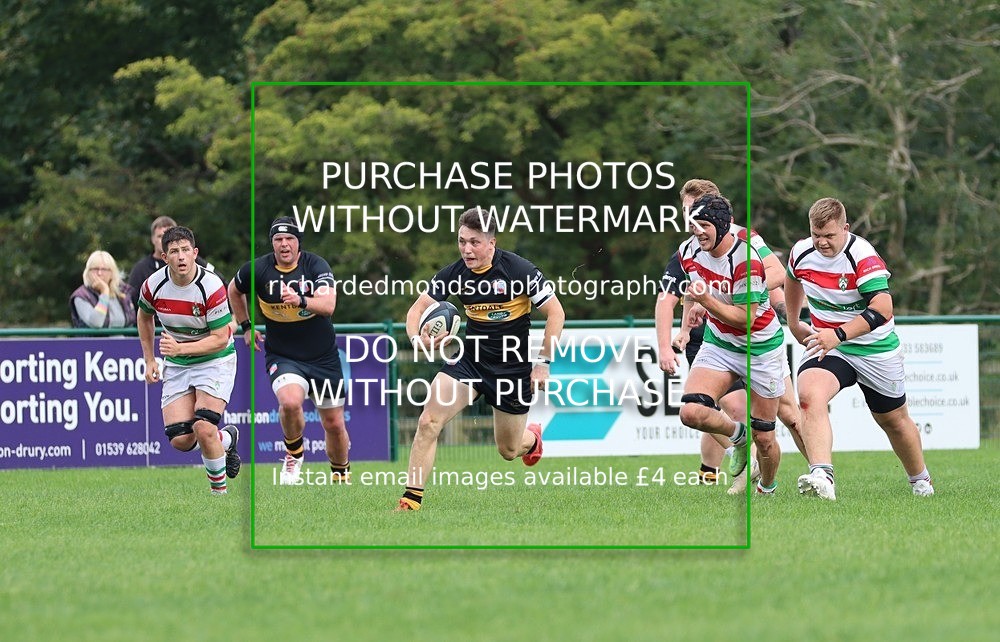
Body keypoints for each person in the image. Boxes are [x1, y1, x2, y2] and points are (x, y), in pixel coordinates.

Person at [396, 206, 565, 511]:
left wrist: (543, 363)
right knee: (428, 421)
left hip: (511, 369)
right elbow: (416, 310)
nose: (467, 249)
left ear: (491, 243)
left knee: (509, 450)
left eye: (474, 242)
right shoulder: (454, 273)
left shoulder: (519, 270)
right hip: (470, 361)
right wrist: (417, 339)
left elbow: (556, 312)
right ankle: (410, 501)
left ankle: (533, 440)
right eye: (462, 241)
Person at [657, 179, 801, 495]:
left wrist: (714, 300)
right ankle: (738, 441)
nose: (694, 227)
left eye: (701, 221)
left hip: (760, 347)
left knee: (771, 432)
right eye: (689, 216)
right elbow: (682, 292)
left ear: (723, 223)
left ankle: (773, 484)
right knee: (692, 412)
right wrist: (686, 325)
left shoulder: (746, 252)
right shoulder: (689, 249)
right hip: (719, 343)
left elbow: (749, 314)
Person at [784, 197, 934, 500]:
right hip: (830, 345)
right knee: (810, 397)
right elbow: (792, 279)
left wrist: (838, 334)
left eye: (829, 235)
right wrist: (793, 321)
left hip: (874, 349)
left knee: (893, 420)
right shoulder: (801, 252)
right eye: (816, 234)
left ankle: (920, 480)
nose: (822, 242)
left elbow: (883, 308)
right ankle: (822, 476)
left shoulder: (862, 256)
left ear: (845, 228)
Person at [228, 216, 350, 485]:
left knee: (334, 424)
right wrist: (246, 326)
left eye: (289, 239)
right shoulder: (257, 269)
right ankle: (293, 456)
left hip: (323, 357)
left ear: (298, 243)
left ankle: (341, 476)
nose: (284, 244)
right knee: (290, 402)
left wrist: (300, 300)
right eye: (278, 239)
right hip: (283, 355)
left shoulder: (316, 265)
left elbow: (329, 305)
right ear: (272, 243)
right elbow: (234, 290)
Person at [137, 226, 241, 494]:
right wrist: (149, 359)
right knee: (180, 439)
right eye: (174, 251)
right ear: (164, 257)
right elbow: (144, 316)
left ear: (195, 253)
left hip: (215, 360)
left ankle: (218, 495)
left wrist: (180, 349)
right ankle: (226, 439)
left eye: (185, 250)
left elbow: (220, 338)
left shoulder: (211, 286)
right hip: (179, 363)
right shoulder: (153, 285)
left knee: (203, 427)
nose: (181, 256)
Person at [128, 216, 214, 316]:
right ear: (152, 239)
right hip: (157, 323)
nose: (164, 240)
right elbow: (135, 304)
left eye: (169, 236)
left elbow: (220, 282)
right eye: (160, 236)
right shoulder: (141, 269)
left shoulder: (194, 261)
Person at [70, 250, 137, 329]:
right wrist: (104, 292)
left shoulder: (124, 292)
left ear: (112, 273)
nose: (99, 273)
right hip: (95, 338)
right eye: (95, 269)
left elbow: (133, 321)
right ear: (88, 272)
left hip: (125, 337)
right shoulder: (81, 296)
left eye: (104, 269)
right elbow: (96, 323)